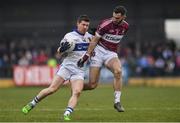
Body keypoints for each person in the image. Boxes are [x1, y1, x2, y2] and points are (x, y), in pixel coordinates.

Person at [22, 15, 92, 121]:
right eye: (83, 24)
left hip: (79, 70)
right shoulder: (70, 36)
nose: (85, 27)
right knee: (52, 89)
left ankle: (66, 114)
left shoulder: (90, 37)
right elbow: (60, 51)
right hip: (67, 67)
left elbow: (95, 46)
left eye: (87, 25)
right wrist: (62, 48)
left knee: (77, 92)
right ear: (78, 23)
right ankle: (32, 103)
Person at [77, 6, 129, 112]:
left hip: (111, 54)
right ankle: (75, 87)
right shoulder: (105, 24)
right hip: (98, 52)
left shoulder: (126, 27)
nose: (114, 19)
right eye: (113, 17)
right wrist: (87, 55)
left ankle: (117, 102)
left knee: (118, 71)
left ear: (124, 17)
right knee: (92, 85)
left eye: (117, 18)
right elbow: (95, 40)